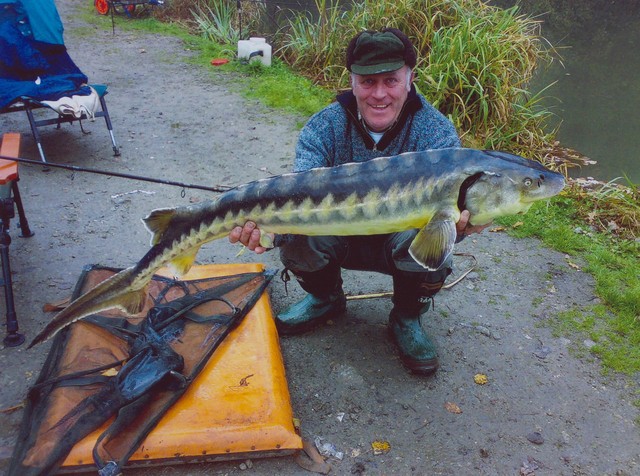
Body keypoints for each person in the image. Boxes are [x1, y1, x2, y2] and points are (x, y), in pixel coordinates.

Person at [229, 28, 487, 376]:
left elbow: (451, 216)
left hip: (399, 241)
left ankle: (407, 316)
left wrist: (463, 228)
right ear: (352, 82)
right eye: (367, 82)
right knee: (297, 232)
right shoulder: (323, 128)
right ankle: (325, 299)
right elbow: (297, 197)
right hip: (338, 237)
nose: (379, 94)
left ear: (410, 79)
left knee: (435, 241)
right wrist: (268, 230)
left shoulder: (436, 133)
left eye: (391, 80)